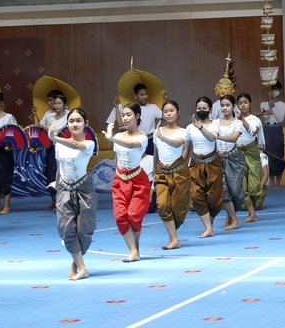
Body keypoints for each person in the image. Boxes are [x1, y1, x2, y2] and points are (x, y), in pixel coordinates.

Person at [50, 107, 97, 280]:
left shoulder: (89, 143)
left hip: (84, 189)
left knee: (84, 229)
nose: (74, 124)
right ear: (67, 124)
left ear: (86, 123)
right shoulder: (59, 145)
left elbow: (77, 145)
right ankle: (82, 268)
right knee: (66, 228)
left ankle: (76, 263)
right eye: (71, 121)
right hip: (64, 188)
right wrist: (57, 183)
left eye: (78, 121)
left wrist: (55, 137)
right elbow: (59, 167)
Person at [105, 103, 150, 262]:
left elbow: (132, 145)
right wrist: (113, 139)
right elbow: (117, 158)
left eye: (128, 114)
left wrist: (112, 138)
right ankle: (133, 251)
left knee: (134, 215)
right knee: (120, 216)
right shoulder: (118, 136)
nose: (125, 118)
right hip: (120, 180)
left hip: (138, 180)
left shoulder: (142, 137)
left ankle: (134, 251)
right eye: (123, 115)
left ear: (137, 116)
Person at [152, 100, 190, 250]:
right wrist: (154, 172)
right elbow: (156, 153)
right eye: (165, 111)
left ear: (178, 113)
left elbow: (178, 143)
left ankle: (173, 237)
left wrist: (162, 137)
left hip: (179, 172)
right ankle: (174, 239)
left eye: (171, 111)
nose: (168, 114)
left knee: (178, 207)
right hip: (162, 172)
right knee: (162, 205)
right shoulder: (157, 131)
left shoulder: (183, 131)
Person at [185, 97, 223, 238]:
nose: (201, 111)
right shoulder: (189, 128)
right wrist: (180, 165)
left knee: (214, 198)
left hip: (213, 164)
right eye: (199, 108)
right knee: (196, 196)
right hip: (196, 164)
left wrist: (200, 127)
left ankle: (209, 225)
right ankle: (208, 228)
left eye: (204, 108)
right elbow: (186, 149)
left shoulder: (215, 125)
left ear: (210, 110)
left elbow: (212, 138)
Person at [214, 94, 245, 231]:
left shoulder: (238, 123)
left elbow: (234, 138)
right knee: (224, 191)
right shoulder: (215, 122)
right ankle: (235, 220)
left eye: (227, 105)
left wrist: (217, 136)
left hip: (235, 158)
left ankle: (230, 216)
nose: (224, 108)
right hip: (219, 158)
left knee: (236, 192)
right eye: (222, 105)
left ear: (233, 107)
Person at [107, 83, 162, 155]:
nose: (145, 97)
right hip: (134, 138)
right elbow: (120, 125)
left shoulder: (153, 107)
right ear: (136, 96)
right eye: (142, 95)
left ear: (137, 116)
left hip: (150, 139)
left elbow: (165, 117)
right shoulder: (129, 108)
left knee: (150, 159)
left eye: (146, 94)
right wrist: (117, 108)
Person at [236, 92, 266, 221]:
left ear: (250, 104)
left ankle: (256, 199)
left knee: (254, 186)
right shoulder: (233, 121)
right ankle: (251, 214)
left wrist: (241, 120)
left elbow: (253, 132)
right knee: (242, 184)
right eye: (240, 103)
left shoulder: (255, 119)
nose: (243, 105)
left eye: (245, 102)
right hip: (238, 153)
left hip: (252, 152)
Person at [39, 91, 69, 211]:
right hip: (52, 149)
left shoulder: (69, 116)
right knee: (51, 174)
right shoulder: (50, 118)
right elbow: (42, 131)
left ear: (64, 104)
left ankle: (66, 203)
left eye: (59, 103)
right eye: (55, 103)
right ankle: (54, 202)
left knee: (65, 175)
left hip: (66, 149)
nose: (57, 106)